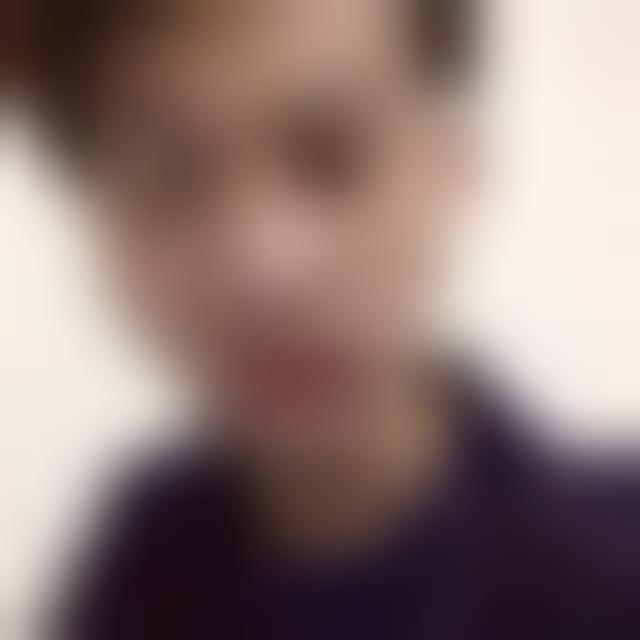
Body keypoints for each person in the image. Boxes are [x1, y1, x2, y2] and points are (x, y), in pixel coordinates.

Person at [14, 0, 639, 638]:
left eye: (332, 158)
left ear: (453, 171)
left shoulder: (614, 585)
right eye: (175, 180)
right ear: (105, 234)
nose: (264, 267)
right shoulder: (138, 562)